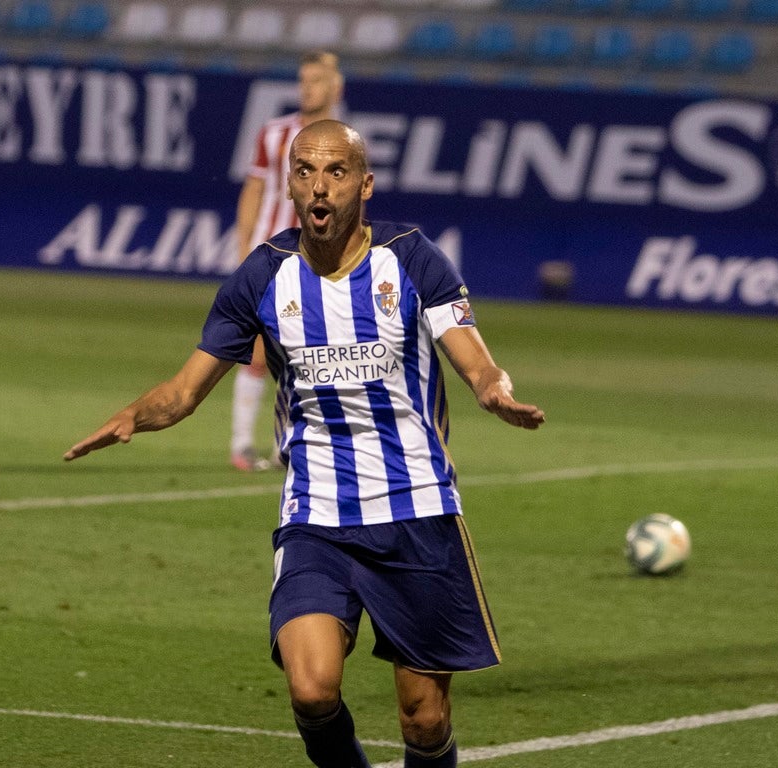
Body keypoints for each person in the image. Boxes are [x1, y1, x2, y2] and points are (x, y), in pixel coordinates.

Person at [64, 120, 545, 768]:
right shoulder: (263, 277)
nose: (320, 187)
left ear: (365, 184)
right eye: (306, 171)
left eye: (337, 171)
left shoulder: (410, 257)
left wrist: (492, 390)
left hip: (416, 511)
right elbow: (184, 391)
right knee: (311, 688)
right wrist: (131, 416)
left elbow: (474, 357)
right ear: (290, 183)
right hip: (316, 517)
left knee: (423, 719)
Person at [231, 50, 344, 472]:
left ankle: (293, 444)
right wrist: (243, 249)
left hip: (321, 258)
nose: (306, 87)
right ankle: (242, 444)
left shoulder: (345, 140)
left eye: (315, 80)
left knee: (315, 353)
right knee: (260, 349)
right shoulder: (275, 133)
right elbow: (254, 190)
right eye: (302, 79)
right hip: (273, 253)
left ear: (336, 87)